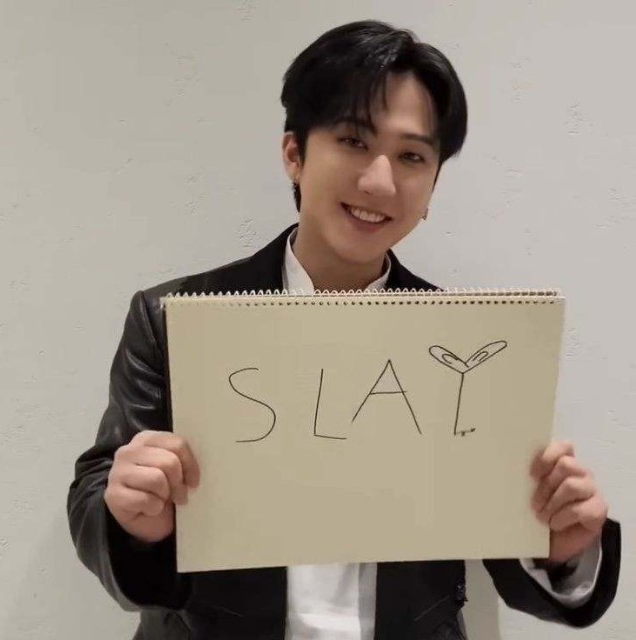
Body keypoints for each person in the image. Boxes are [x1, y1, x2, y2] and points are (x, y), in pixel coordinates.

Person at [67, 19, 620, 640]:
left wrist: (562, 551)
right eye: (354, 140)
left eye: (412, 156)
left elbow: (499, 526)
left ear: (433, 184)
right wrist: (132, 519)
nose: (380, 181)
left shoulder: (472, 341)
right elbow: (98, 488)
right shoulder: (174, 316)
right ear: (294, 154)